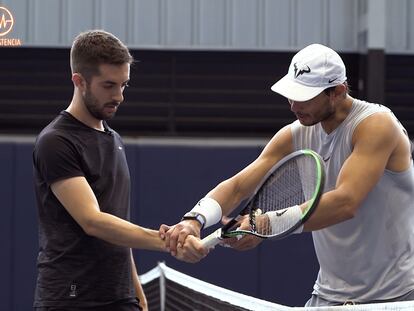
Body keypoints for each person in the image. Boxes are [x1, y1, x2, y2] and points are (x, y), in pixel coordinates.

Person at [160, 43, 414, 306]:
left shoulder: (377, 125)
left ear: (337, 92)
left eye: (304, 97)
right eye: (291, 94)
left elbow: (345, 202)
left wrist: (263, 224)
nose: (293, 105)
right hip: (328, 297)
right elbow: (238, 187)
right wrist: (194, 219)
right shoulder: (295, 133)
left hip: (397, 299)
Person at [32, 30, 204, 311]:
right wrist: (167, 241)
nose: (119, 96)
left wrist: (136, 291)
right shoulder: (56, 141)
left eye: (124, 85)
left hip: (120, 296)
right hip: (70, 298)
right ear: (79, 81)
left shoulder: (114, 140)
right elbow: (94, 221)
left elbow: (116, 222)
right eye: (109, 85)